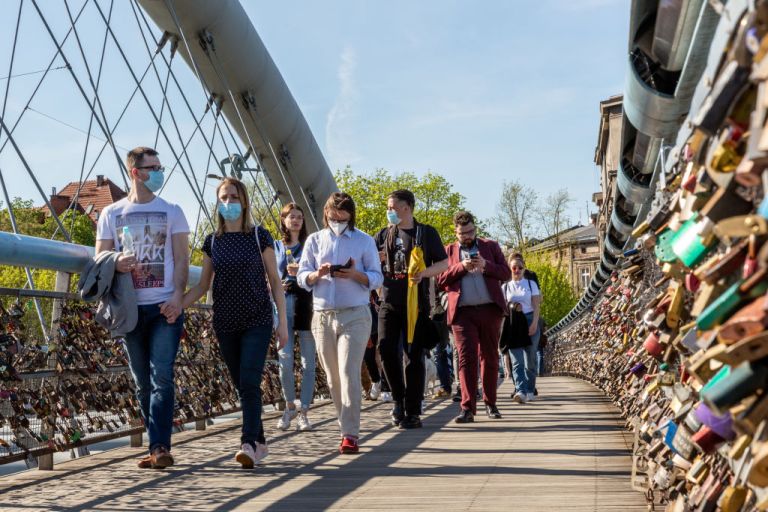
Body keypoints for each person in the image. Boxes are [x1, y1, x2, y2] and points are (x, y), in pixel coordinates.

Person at [183, 177, 288, 468]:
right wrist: (175, 306)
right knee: (244, 386)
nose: (228, 203)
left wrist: (282, 324)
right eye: (223, 197)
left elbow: (275, 282)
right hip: (226, 322)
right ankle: (262, 442)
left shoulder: (259, 236)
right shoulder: (211, 241)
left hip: (257, 318)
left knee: (250, 381)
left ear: (244, 201)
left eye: (234, 197)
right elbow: (202, 286)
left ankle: (248, 444)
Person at [96, 147, 189, 469]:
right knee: (142, 382)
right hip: (130, 310)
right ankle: (154, 447)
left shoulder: (173, 211)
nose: (160, 172)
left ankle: (161, 447)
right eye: (153, 167)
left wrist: (178, 297)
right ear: (135, 172)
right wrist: (115, 260)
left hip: (165, 308)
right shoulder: (111, 213)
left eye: (160, 166)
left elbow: (183, 259)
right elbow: (100, 257)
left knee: (162, 376)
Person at [297, 192, 383, 453]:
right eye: (333, 218)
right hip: (323, 316)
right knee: (333, 379)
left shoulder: (364, 241)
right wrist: (317, 274)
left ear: (350, 217)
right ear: (326, 215)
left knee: (348, 372)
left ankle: (350, 433)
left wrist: (356, 275)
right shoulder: (314, 240)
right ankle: (343, 423)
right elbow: (301, 276)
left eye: (343, 218)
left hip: (355, 313)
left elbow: (377, 278)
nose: (338, 222)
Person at [375, 190, 448, 429]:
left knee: (413, 355)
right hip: (388, 300)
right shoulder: (384, 234)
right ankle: (399, 398)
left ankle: (413, 410)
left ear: (407, 208)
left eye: (393, 207)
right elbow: (371, 263)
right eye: (388, 208)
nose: (389, 212)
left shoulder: (425, 233)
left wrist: (423, 274)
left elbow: (444, 262)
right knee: (386, 350)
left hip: (415, 303)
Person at [437, 211, 510, 423]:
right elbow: (440, 280)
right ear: (455, 232)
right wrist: (460, 267)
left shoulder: (491, 246)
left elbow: (505, 273)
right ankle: (467, 408)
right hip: (462, 313)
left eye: (470, 231)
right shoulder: (448, 251)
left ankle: (491, 403)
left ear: (475, 229)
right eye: (462, 233)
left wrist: (486, 266)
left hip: (489, 309)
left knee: (490, 357)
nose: (467, 236)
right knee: (466, 359)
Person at [273, 203, 317, 432]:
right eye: (292, 217)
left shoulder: (311, 245)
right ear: (283, 220)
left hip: (306, 303)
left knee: (309, 363)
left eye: (300, 217)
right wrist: (275, 284)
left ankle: (305, 411)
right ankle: (290, 406)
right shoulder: (276, 246)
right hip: (283, 303)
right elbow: (267, 273)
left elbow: (318, 273)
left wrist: (303, 272)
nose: (296, 220)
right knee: (285, 359)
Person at [502, 255, 542, 403]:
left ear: (524, 268)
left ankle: (530, 389)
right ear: (510, 269)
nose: (517, 270)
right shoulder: (505, 287)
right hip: (513, 323)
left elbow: (537, 306)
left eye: (520, 267)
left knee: (530, 359)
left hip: (530, 319)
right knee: (517, 361)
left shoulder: (531, 284)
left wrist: (534, 323)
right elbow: (501, 308)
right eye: (514, 268)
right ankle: (520, 391)